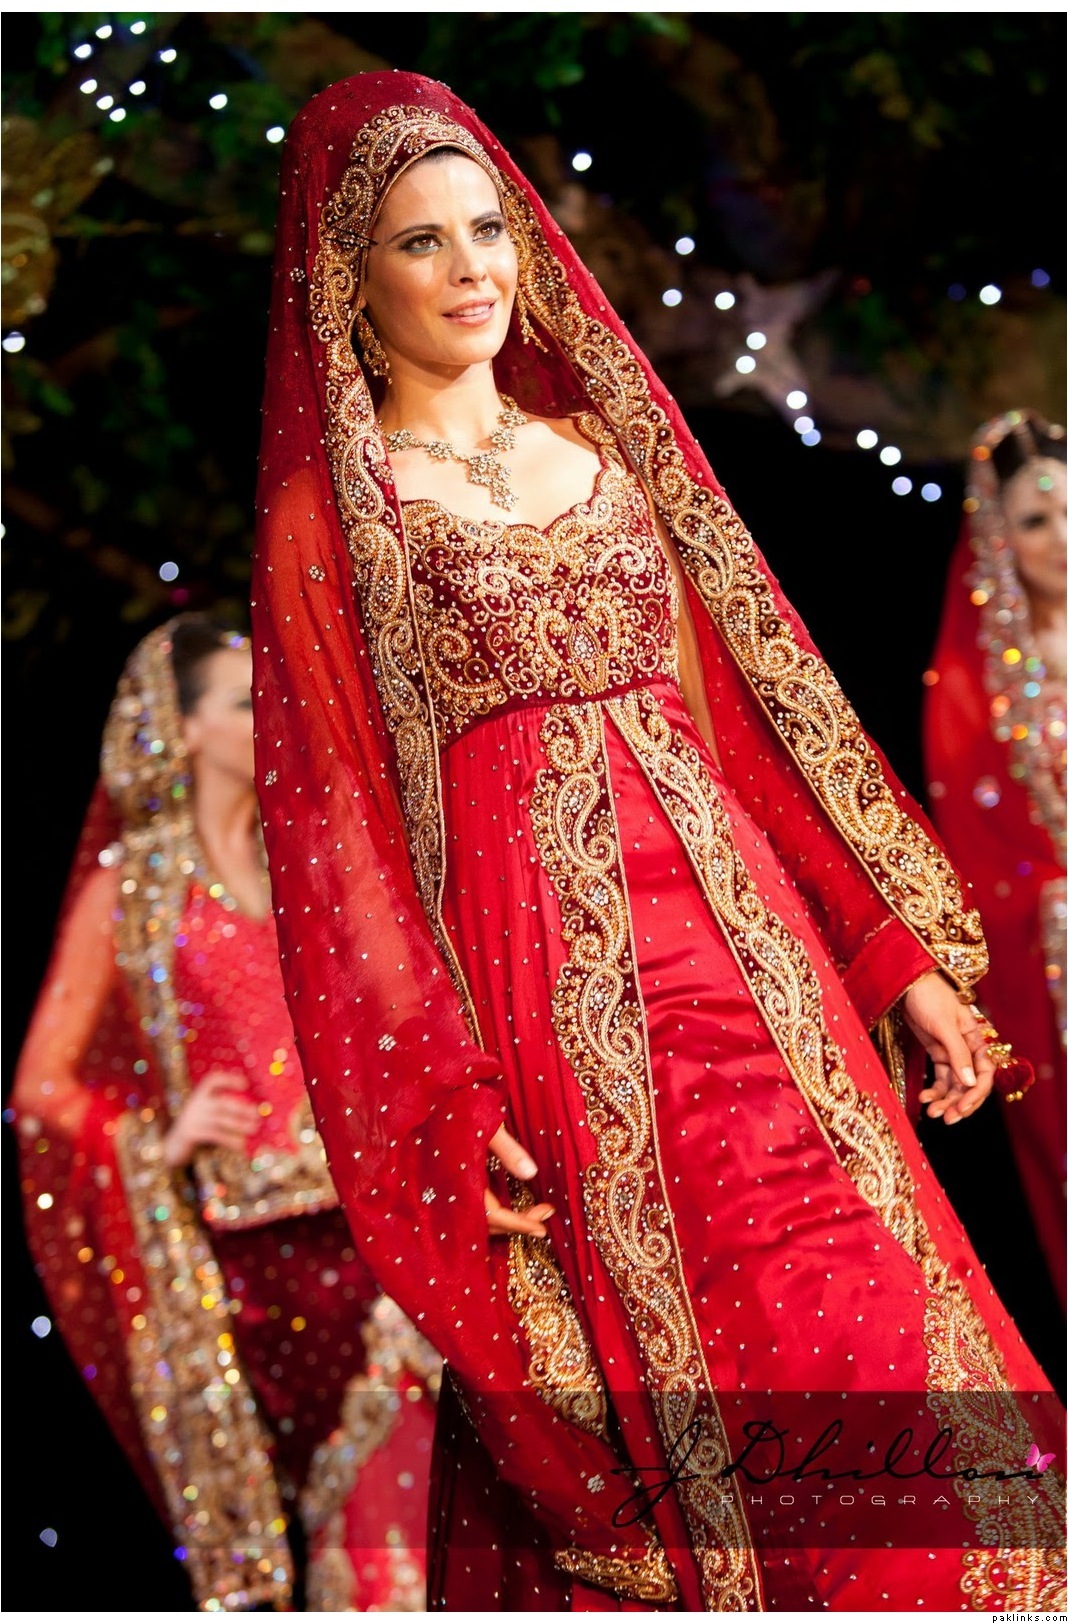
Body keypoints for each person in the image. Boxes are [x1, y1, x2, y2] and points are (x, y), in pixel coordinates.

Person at [250, 73, 1066, 1612]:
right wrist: (443, 1093)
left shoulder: (605, 453)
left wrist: (893, 960)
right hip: (556, 1025)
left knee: (879, 1322)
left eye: (489, 229)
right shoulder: (336, 523)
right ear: (349, 282)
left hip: (766, 1000)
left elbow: (744, 742)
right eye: (422, 242)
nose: (472, 268)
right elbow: (341, 841)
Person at [11, 613, 439, 1612]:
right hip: (255, 1264)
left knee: (426, 1490)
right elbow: (42, 1085)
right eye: (244, 704)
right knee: (355, 1513)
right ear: (183, 727)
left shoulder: (311, 856)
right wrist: (155, 1135)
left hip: (374, 1220)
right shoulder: (135, 888)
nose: (267, 721)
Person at [924, 411, 1066, 1310]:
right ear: (998, 539)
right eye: (1037, 520)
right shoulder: (973, 690)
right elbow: (983, 866)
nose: (1062, 539)